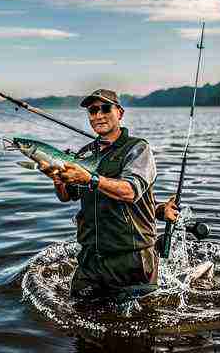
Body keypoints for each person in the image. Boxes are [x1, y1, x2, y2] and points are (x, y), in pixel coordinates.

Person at [39, 89, 179, 298]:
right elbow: (67, 195)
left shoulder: (138, 149)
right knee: (77, 316)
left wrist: (90, 179)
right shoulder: (85, 153)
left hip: (132, 259)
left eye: (105, 108)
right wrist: (57, 179)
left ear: (120, 113)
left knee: (142, 323)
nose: (98, 115)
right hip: (90, 259)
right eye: (93, 110)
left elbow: (130, 192)